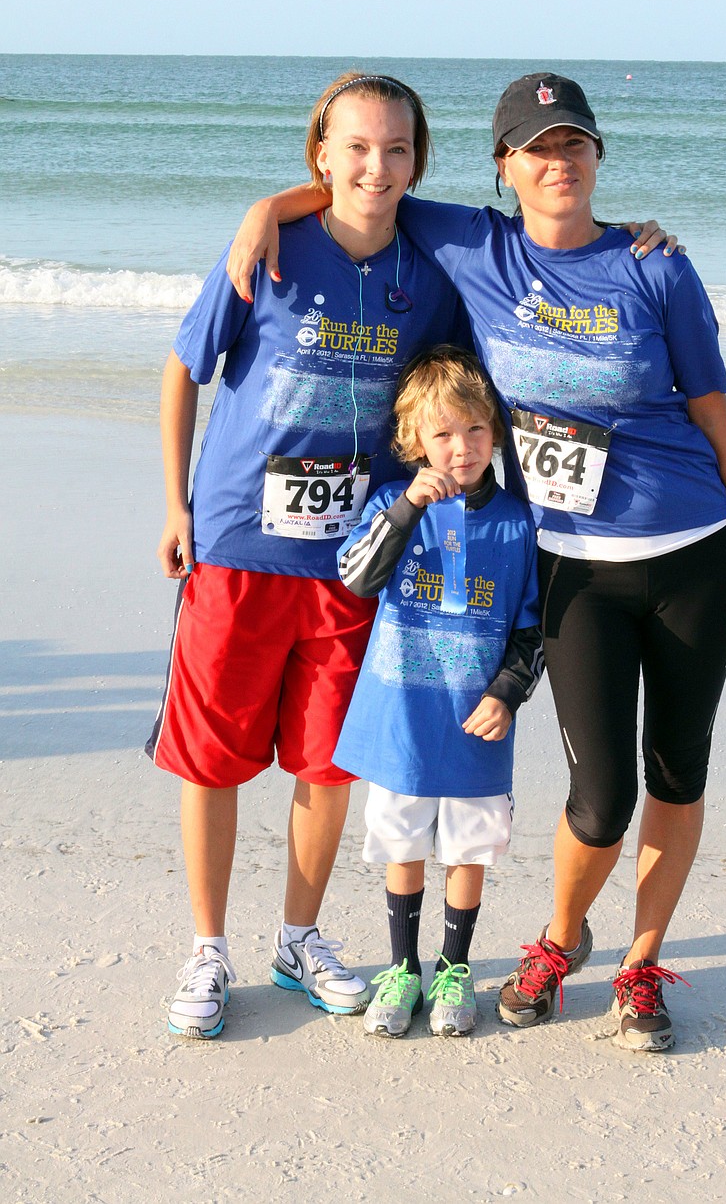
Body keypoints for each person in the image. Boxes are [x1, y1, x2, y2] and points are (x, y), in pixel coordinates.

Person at [226, 71, 726, 1052]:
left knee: (676, 773)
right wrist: (264, 208)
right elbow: (364, 184)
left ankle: (643, 964)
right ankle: (561, 939)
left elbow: (713, 415)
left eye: (573, 144)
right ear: (505, 168)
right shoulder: (472, 245)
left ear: (597, 157)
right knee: (599, 794)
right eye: (536, 147)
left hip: (693, 551)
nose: (556, 161)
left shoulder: (656, 268)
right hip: (568, 566)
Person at [146, 71, 475, 1038]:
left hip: (352, 561)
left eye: (397, 149)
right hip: (239, 543)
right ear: (320, 156)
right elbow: (183, 368)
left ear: (418, 162)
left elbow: (450, 397)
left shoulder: (432, 271)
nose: (376, 166)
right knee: (212, 757)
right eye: (357, 147)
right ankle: (209, 948)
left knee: (325, 764)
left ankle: (299, 936)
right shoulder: (271, 247)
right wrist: (173, 504)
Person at [334, 345, 542, 1038]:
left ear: (496, 433)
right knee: (402, 840)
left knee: (469, 846)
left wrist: (508, 691)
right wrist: (406, 511)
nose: (462, 448)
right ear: (414, 441)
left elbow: (534, 625)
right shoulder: (397, 500)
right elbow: (356, 578)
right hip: (406, 718)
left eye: (476, 430)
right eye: (443, 434)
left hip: (476, 717)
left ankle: (454, 965)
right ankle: (403, 966)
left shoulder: (516, 520)